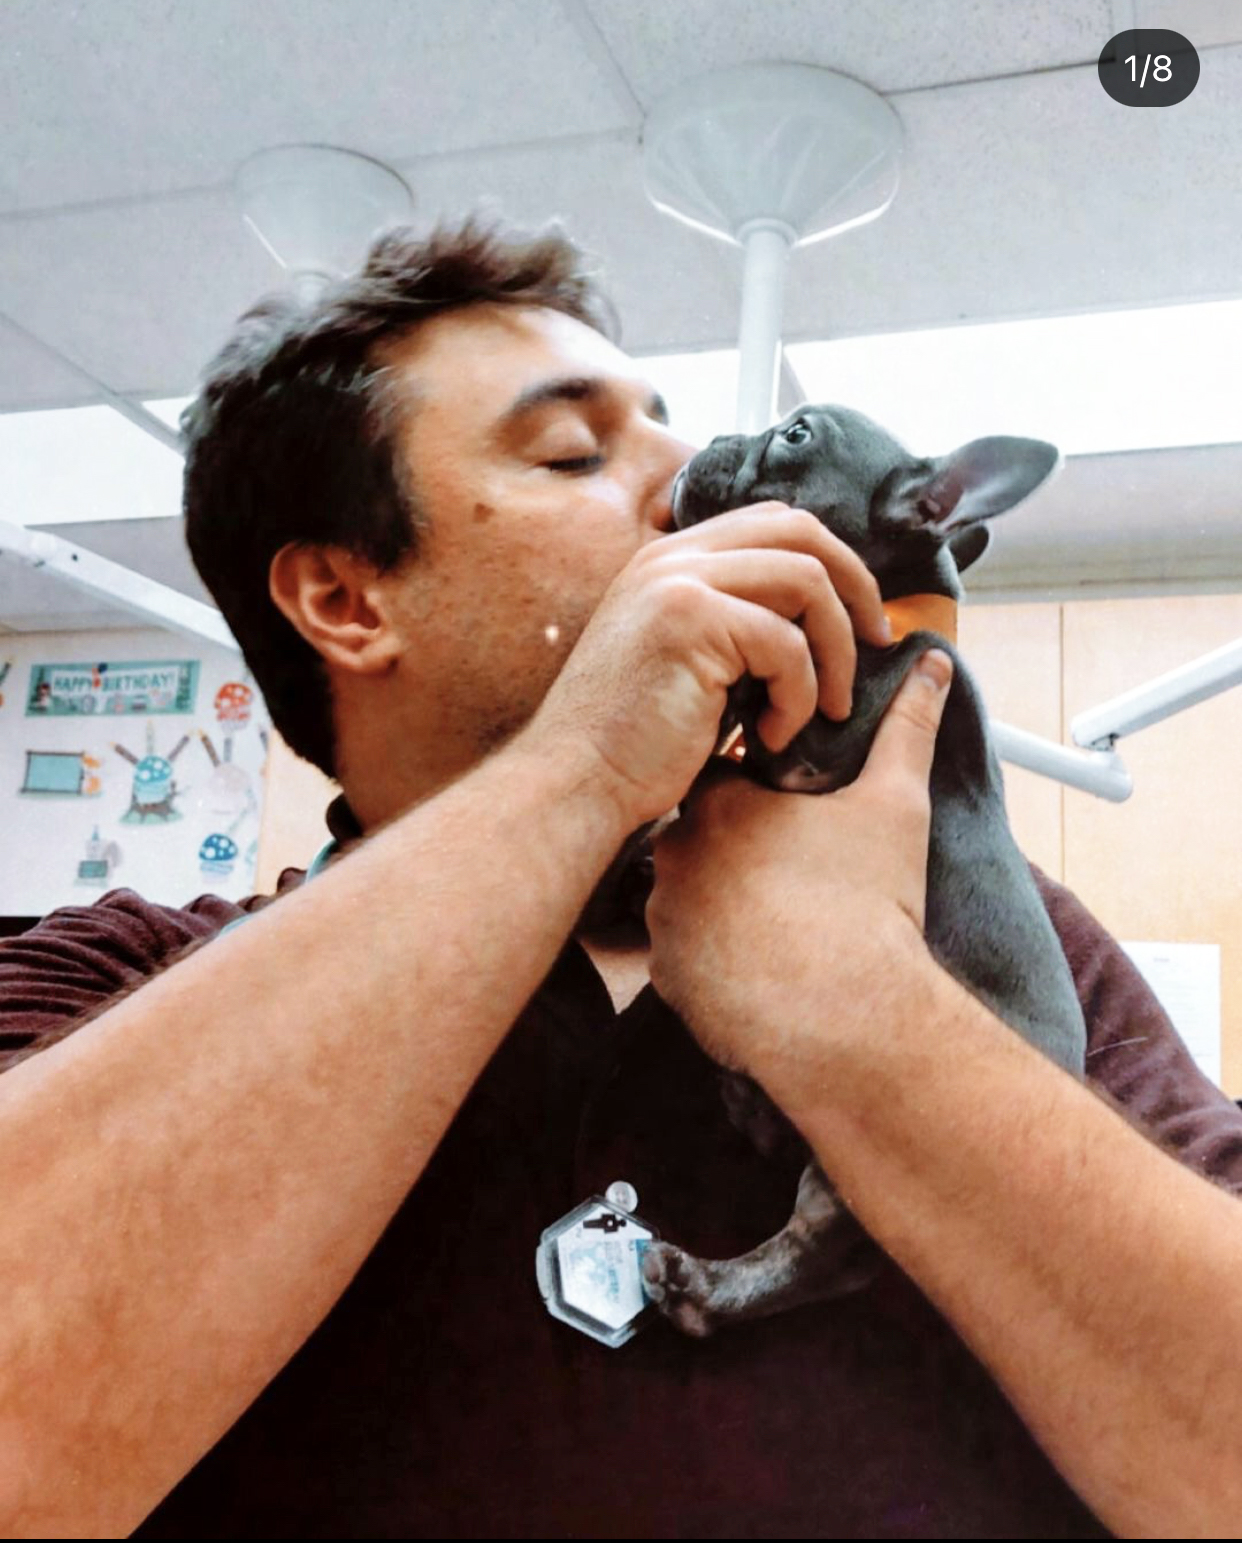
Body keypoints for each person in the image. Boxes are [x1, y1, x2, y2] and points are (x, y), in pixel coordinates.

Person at [1, 217, 1241, 1539]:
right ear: (346, 602)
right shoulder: (113, 975)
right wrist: (578, 774)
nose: (692, 476)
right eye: (571, 454)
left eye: (671, 428)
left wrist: (866, 1008)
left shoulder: (1009, 946)